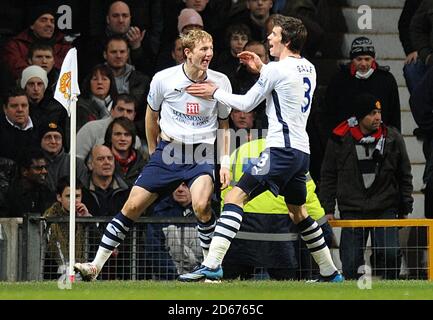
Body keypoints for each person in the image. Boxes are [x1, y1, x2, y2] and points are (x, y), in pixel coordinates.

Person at [178, 15, 342, 282]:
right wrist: (262, 66)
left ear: (286, 40)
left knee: (234, 198)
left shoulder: (278, 70)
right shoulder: (308, 68)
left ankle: (213, 264)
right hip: (301, 154)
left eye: (274, 35)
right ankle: (330, 271)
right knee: (298, 212)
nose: (268, 39)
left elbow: (245, 103)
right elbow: (283, 80)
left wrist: (214, 92)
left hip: (280, 151)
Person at [73, 29, 232, 281]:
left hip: (201, 152)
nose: (209, 54)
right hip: (167, 152)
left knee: (201, 206)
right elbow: (151, 116)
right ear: (187, 53)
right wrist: (153, 148)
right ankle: (95, 266)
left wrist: (225, 162)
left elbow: (224, 125)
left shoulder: (220, 81)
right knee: (132, 206)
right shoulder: (163, 79)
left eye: (211, 48)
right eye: (203, 49)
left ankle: (210, 270)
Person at [319, 93, 413, 280]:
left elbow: (405, 174)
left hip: (385, 207)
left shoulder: (393, 137)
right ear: (360, 117)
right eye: (371, 113)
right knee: (351, 263)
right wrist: (328, 208)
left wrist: (405, 206)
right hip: (352, 208)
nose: (377, 117)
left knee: (390, 255)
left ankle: (389, 293)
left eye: (378, 112)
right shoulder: (339, 139)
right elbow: (328, 175)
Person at [322, 36, 401, 139]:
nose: (363, 64)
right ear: (352, 59)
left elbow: (394, 116)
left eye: (367, 59)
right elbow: (330, 113)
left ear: (373, 59)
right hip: (346, 139)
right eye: (359, 59)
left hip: (380, 139)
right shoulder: (339, 79)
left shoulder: (386, 80)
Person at [2, 5, 72, 80]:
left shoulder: (63, 46)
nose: (49, 24)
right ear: (32, 25)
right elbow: (17, 69)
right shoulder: (15, 45)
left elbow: (68, 71)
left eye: (52, 21)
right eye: (43, 20)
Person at [43, 177, 91, 277]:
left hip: (83, 272)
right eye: (69, 196)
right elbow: (51, 248)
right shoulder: (49, 218)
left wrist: (88, 219)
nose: (73, 200)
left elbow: (98, 243)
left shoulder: (84, 215)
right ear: (59, 197)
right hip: (53, 273)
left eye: (77, 196)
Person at [76, 94, 143, 160]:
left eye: (129, 111)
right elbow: (75, 160)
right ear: (112, 111)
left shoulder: (136, 141)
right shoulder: (91, 129)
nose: (124, 115)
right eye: (120, 109)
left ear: (134, 115)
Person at [39, 121, 88, 193]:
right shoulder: (35, 163)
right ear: (40, 141)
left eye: (57, 137)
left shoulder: (76, 163)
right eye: (48, 137)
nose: (53, 141)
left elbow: (83, 191)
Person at [103, 117, 148, 187]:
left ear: (132, 138)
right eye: (118, 134)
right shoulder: (101, 160)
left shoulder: (142, 163)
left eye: (127, 135)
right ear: (110, 137)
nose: (122, 139)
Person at [0, 87, 39, 162]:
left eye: (24, 105)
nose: (20, 110)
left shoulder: (40, 127)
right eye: (14, 106)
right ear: (5, 109)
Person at [77, 64, 118, 131]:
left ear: (111, 83)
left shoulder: (118, 104)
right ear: (89, 83)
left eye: (104, 79)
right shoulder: (80, 106)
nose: (99, 82)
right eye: (95, 79)